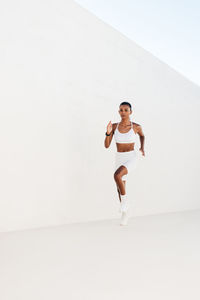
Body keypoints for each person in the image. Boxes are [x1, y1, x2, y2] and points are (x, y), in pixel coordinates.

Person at [104, 101, 145, 226]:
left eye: (126, 110)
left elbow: (142, 136)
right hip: (119, 157)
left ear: (130, 112)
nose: (123, 112)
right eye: (121, 110)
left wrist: (142, 148)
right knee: (120, 187)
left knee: (117, 175)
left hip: (131, 157)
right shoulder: (115, 127)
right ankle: (125, 213)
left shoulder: (136, 127)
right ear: (118, 112)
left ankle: (124, 204)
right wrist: (108, 132)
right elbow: (106, 145)